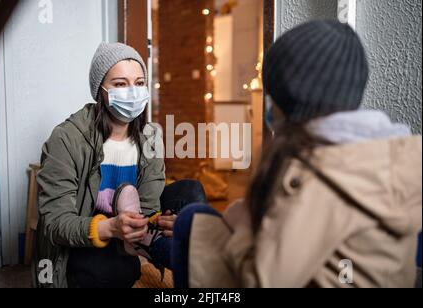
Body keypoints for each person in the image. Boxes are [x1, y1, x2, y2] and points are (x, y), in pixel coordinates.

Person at [171, 20, 422, 288]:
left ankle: (152, 245)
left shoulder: (323, 172)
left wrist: (242, 225)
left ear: (290, 99)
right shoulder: (390, 149)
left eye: (273, 97)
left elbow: (264, 282)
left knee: (192, 219)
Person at [33, 43, 206, 288]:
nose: (133, 92)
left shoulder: (150, 136)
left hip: (131, 231)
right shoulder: (67, 138)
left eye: (139, 82)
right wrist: (112, 228)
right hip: (92, 236)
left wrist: (164, 221)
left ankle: (169, 251)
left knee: (191, 197)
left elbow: (148, 204)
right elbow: (55, 222)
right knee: (113, 273)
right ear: (100, 90)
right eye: (120, 84)